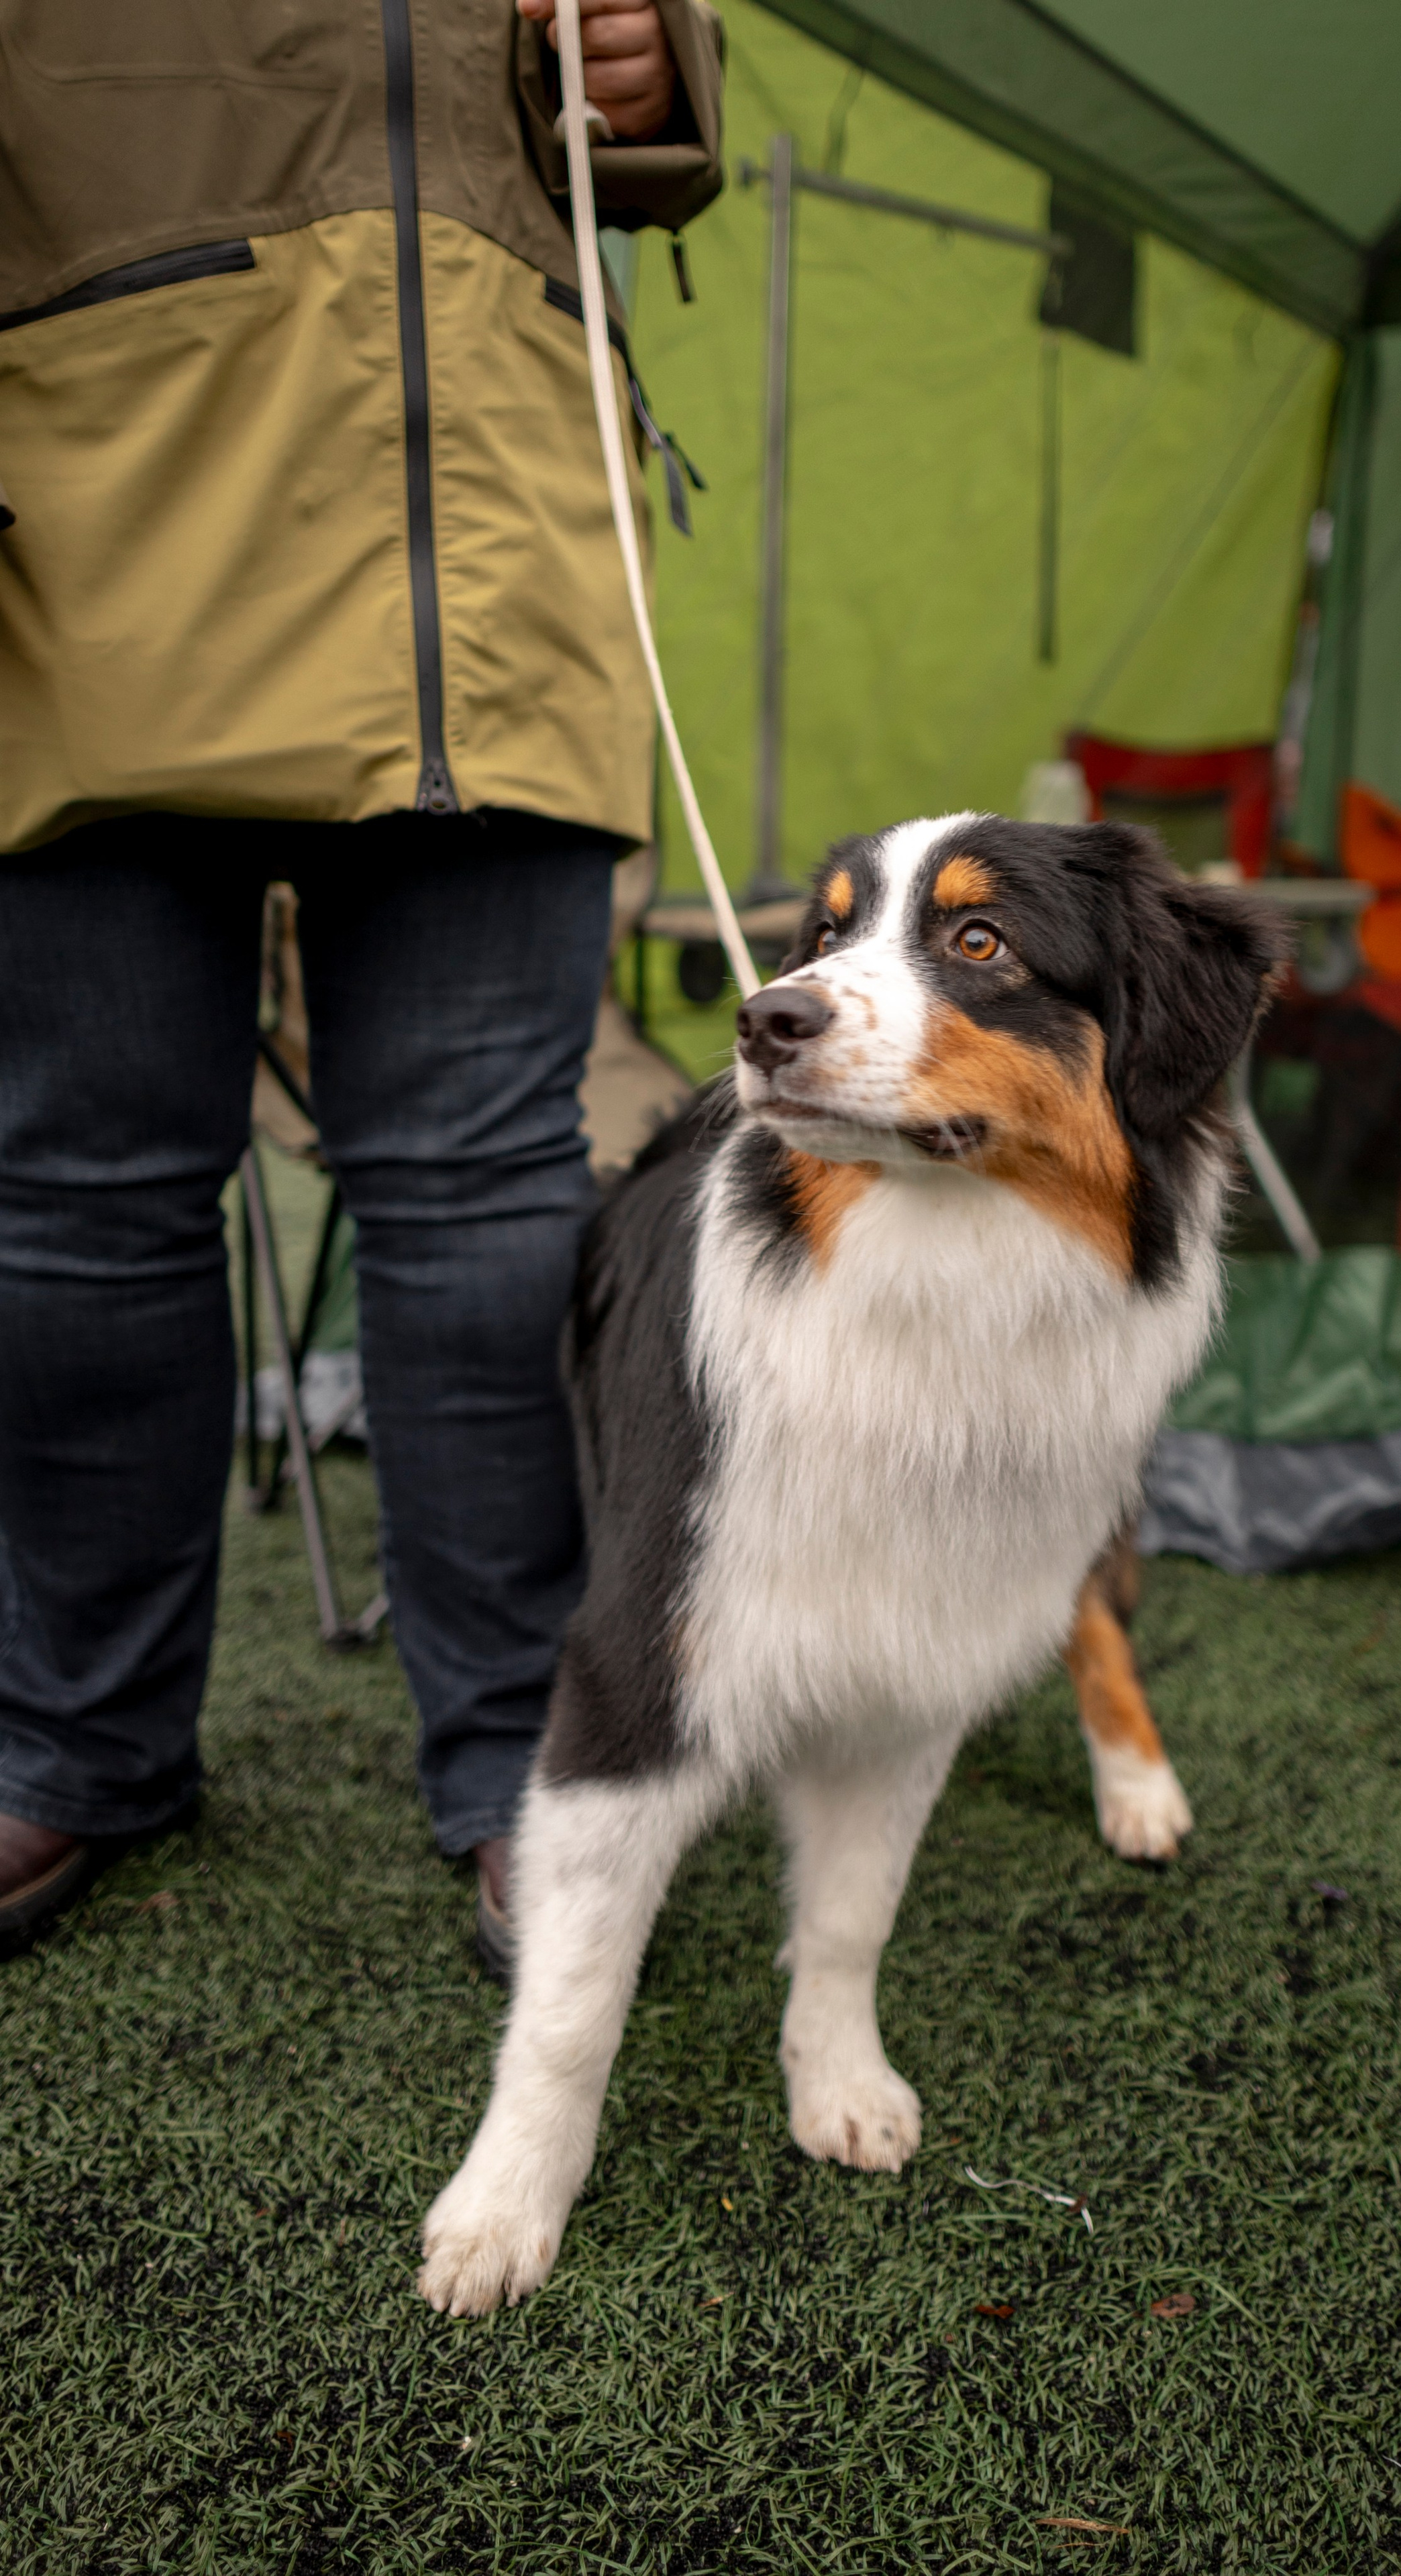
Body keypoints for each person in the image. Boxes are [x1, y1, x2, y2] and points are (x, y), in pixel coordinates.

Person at [0, 0, 723, 1962]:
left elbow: (635, 121)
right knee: (78, 1201)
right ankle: (73, 1746)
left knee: (491, 1198)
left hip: (497, 518)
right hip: (94, 493)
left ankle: (529, 1764)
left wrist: (663, 82)